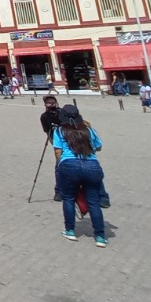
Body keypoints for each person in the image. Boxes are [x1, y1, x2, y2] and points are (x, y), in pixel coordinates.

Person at [52, 104, 107, 247]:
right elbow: (98, 147)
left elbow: (58, 152)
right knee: (94, 202)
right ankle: (100, 236)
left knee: (69, 199)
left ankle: (70, 230)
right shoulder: (88, 129)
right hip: (92, 166)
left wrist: (62, 165)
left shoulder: (59, 131)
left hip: (69, 166)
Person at [39, 94, 62, 200]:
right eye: (48, 102)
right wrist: (55, 145)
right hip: (58, 144)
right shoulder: (44, 117)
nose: (50, 104)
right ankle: (59, 191)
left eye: (52, 101)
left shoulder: (63, 112)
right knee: (59, 167)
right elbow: (47, 133)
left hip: (73, 141)